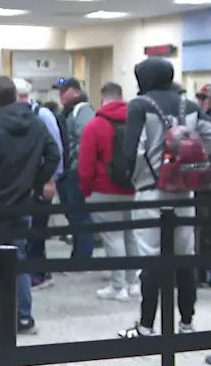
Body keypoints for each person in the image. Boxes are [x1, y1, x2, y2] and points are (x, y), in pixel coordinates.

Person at [119, 58, 211, 338]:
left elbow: (132, 150)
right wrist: (193, 156)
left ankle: (146, 325)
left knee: (150, 259)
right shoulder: (188, 106)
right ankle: (187, 323)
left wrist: (137, 173)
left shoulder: (140, 105)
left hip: (151, 191)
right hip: (184, 192)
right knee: (184, 257)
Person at [0, 77, 60, 334]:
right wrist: (36, 179)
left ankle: (6, 316)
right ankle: (24, 315)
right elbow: (54, 155)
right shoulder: (36, 123)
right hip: (23, 200)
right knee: (19, 256)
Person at [78, 82, 138, 301]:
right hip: (133, 188)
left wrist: (86, 190)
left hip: (103, 189)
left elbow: (86, 165)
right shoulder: (136, 122)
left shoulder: (94, 126)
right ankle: (134, 283)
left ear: (102, 98)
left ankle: (118, 286)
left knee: (113, 238)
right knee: (132, 236)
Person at [14, 78, 63, 288]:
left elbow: (56, 150)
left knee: (37, 227)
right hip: (26, 181)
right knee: (31, 227)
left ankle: (39, 273)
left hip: (42, 179)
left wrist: (50, 179)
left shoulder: (42, 115)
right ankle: (37, 270)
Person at [57, 77, 96, 259]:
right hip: (69, 171)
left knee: (80, 215)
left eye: (64, 90)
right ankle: (78, 254)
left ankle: (83, 256)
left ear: (76, 91)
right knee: (74, 215)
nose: (61, 95)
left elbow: (85, 139)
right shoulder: (69, 112)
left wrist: (76, 164)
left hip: (76, 172)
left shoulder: (82, 110)